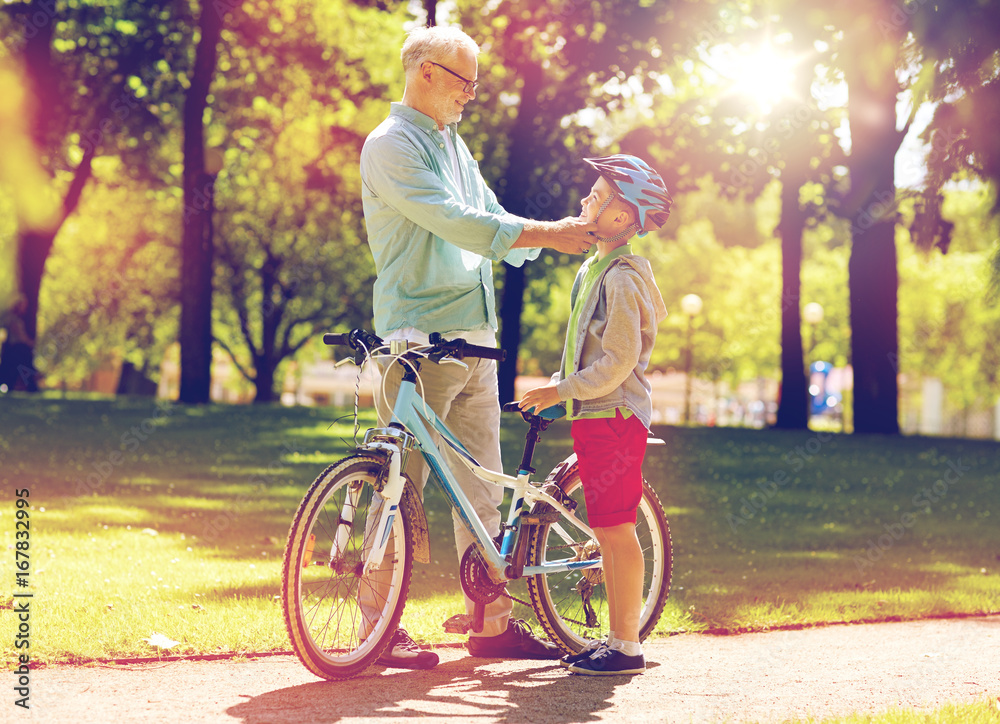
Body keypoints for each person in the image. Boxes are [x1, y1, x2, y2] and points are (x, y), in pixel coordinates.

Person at [358, 25, 597, 670]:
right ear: (427, 73)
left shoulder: (454, 145)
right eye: (464, 81)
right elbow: (456, 222)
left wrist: (555, 237)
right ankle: (377, 628)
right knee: (399, 482)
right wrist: (547, 234)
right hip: (419, 337)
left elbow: (489, 213)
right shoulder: (391, 145)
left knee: (481, 482)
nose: (471, 94)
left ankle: (491, 624)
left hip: (475, 337)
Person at [519, 154, 671, 675]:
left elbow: (618, 361)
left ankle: (626, 647)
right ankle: (616, 640)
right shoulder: (594, 268)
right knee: (606, 528)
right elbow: (588, 351)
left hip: (615, 415)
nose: (586, 199)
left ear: (622, 217)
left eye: (598, 196)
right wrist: (562, 391)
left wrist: (560, 390)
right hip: (595, 414)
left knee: (616, 530)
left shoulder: (623, 279)